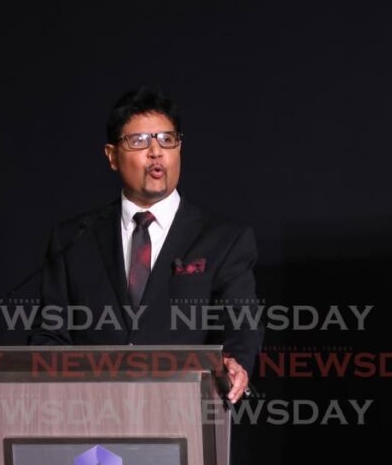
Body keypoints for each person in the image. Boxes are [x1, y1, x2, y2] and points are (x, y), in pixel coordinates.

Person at [29, 87, 260, 402]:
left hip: (185, 416)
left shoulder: (224, 240)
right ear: (112, 156)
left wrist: (236, 363)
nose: (156, 152)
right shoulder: (74, 239)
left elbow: (240, 324)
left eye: (167, 140)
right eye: (139, 141)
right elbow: (49, 336)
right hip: (90, 419)